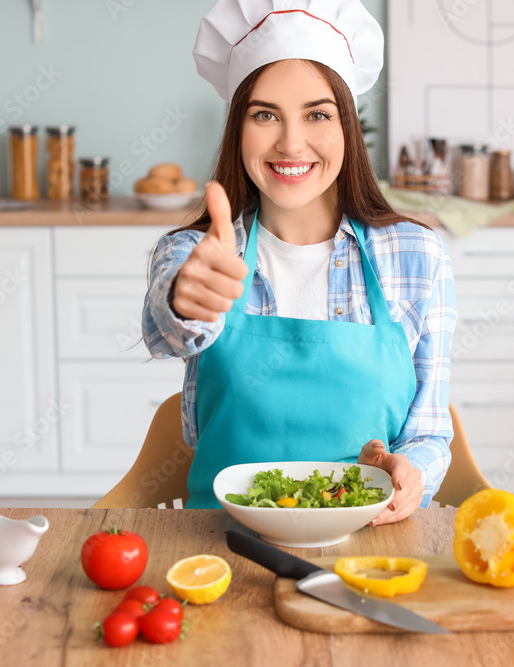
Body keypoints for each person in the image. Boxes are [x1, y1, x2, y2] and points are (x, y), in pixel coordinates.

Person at [142, 0, 457, 522]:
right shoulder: (194, 252)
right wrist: (188, 298)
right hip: (223, 543)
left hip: (367, 545)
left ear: (347, 128)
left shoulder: (417, 256)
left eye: (317, 114)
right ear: (237, 129)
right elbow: (169, 329)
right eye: (265, 114)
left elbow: (427, 433)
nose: (291, 143)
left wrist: (411, 472)